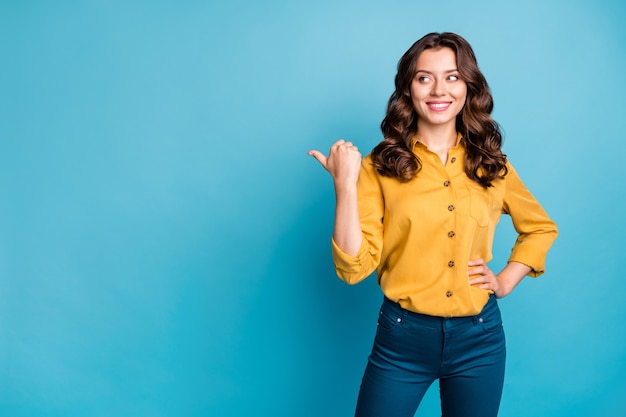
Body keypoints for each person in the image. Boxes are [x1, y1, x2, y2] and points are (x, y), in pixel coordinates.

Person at [308, 32, 558, 417]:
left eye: (452, 77)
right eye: (424, 77)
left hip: (481, 339)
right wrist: (345, 185)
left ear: (468, 86)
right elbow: (354, 268)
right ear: (408, 88)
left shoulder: (491, 164)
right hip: (402, 339)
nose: (439, 89)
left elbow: (540, 227)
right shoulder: (379, 165)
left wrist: (506, 279)